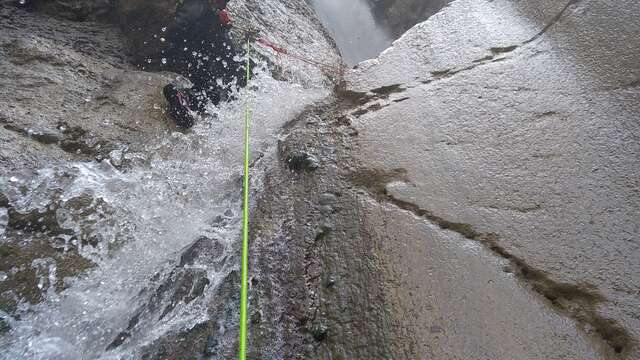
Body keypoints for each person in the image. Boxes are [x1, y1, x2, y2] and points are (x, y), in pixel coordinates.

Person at [163, 0, 248, 128]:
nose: (224, 4)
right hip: (196, 55)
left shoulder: (205, 8)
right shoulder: (197, 5)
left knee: (211, 91)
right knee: (212, 93)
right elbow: (175, 29)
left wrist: (222, 24)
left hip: (199, 54)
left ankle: (183, 98)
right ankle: (181, 96)